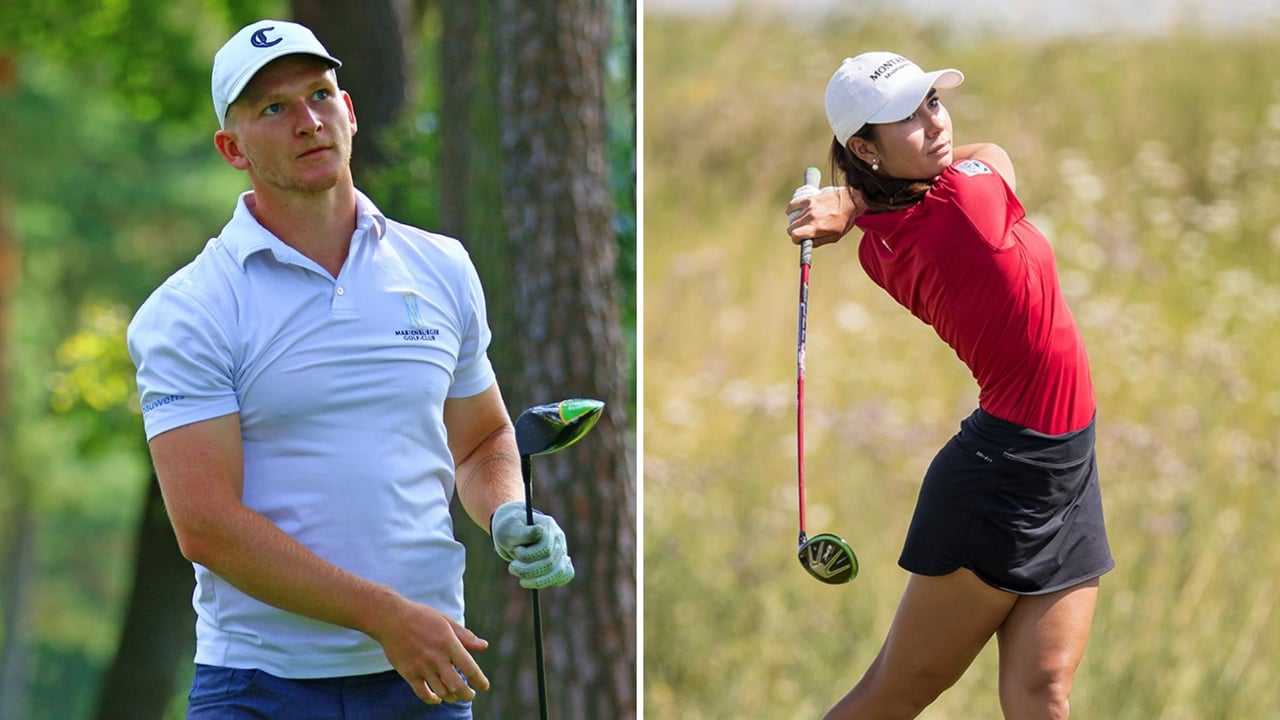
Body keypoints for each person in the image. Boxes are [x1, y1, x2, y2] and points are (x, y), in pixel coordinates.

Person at [126, 19, 574, 719]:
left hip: (425, 682)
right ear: (231, 148)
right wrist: (387, 617)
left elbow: (482, 442)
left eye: (320, 95)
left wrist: (509, 510)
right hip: (260, 689)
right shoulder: (191, 309)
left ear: (351, 113)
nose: (307, 121)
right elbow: (207, 525)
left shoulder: (441, 267)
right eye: (273, 108)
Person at [785, 51, 1114, 719]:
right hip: (1003, 481)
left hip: (1065, 462)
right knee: (893, 696)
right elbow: (993, 151)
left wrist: (850, 198)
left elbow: (933, 175)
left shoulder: (879, 241)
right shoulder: (966, 202)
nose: (934, 123)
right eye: (904, 117)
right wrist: (849, 199)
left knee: (1041, 692)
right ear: (863, 148)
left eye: (932, 102)